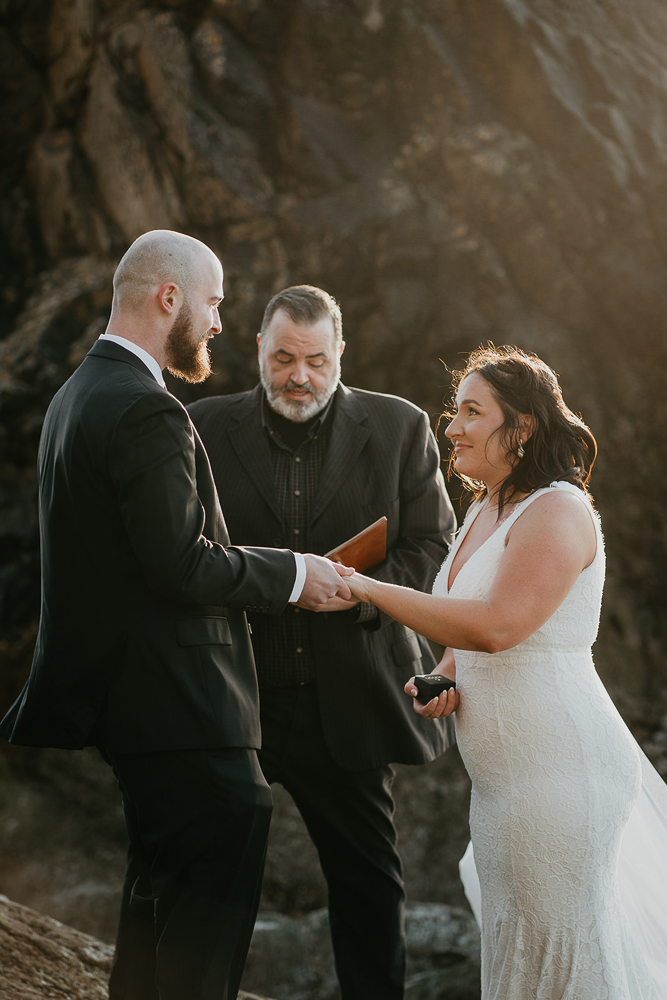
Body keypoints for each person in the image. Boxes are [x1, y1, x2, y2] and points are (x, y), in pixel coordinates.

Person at [0, 232, 354, 1000]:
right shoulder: (143, 407)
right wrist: (296, 574)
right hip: (184, 712)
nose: (220, 322)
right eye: (214, 301)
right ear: (170, 299)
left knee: (154, 919)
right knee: (199, 947)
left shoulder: (75, 398)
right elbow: (181, 563)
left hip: (136, 715)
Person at [344, 345, 667, 999]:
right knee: (516, 954)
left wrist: (363, 587)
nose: (452, 426)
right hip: (501, 785)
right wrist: (444, 673)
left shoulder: (557, 510)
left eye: (470, 412)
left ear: (519, 428)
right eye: (452, 411)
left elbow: (497, 626)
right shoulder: (485, 509)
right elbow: (470, 635)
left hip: (561, 774)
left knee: (565, 958)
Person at [187, 284, 456, 1000]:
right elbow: (183, 551)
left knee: (368, 886)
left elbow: (433, 542)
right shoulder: (199, 425)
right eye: (281, 359)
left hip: (350, 695)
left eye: (313, 359)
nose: (297, 376)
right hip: (233, 696)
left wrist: (364, 597)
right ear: (257, 352)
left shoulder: (399, 426)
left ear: (340, 353)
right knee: (209, 883)